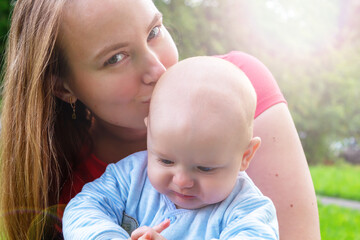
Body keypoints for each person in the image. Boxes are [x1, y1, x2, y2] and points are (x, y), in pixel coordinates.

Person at [0, 0, 320, 239]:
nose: (159, 69)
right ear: (63, 86)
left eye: (154, 31)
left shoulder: (239, 92)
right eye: (115, 58)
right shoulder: (68, 183)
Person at [62, 56, 279, 240]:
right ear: (150, 134)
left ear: (245, 155)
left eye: (204, 168)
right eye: (166, 161)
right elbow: (82, 209)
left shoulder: (247, 211)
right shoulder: (129, 176)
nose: (182, 181)